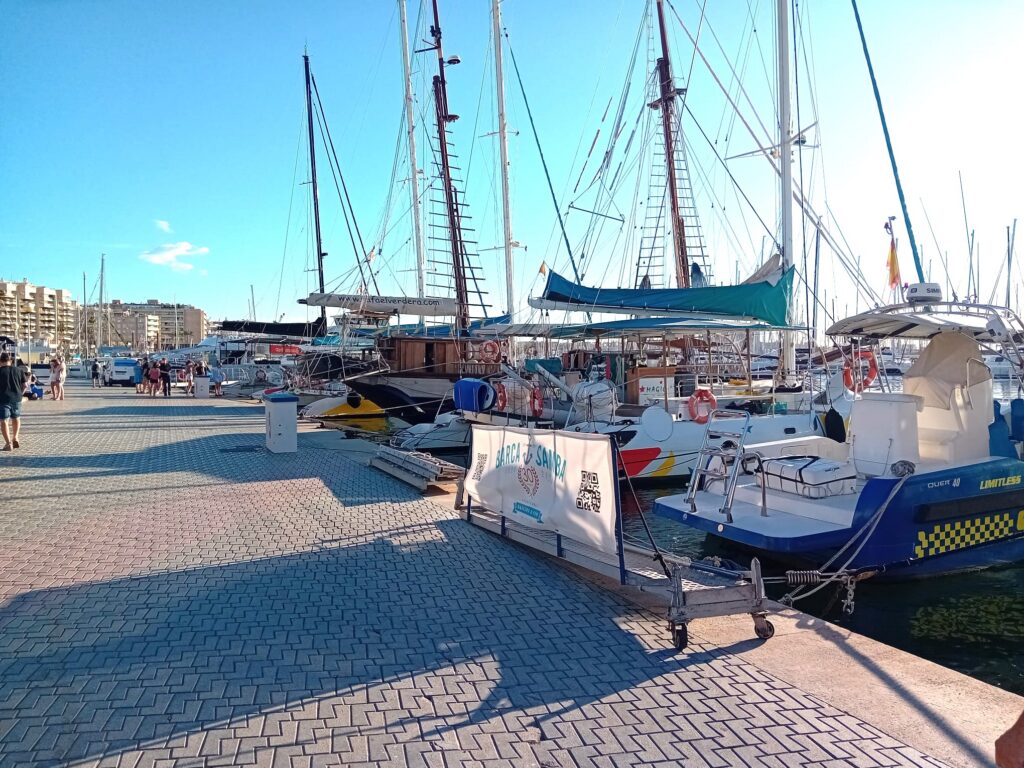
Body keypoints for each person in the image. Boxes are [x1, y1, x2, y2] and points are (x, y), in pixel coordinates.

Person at [0, 352, 26, 451]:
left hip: (3, 399)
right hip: (16, 398)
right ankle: (15, 437)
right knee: (16, 418)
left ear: (0, 361)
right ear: (10, 361)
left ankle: (8, 444)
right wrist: (20, 394)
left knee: (4, 421)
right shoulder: (19, 370)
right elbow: (25, 385)